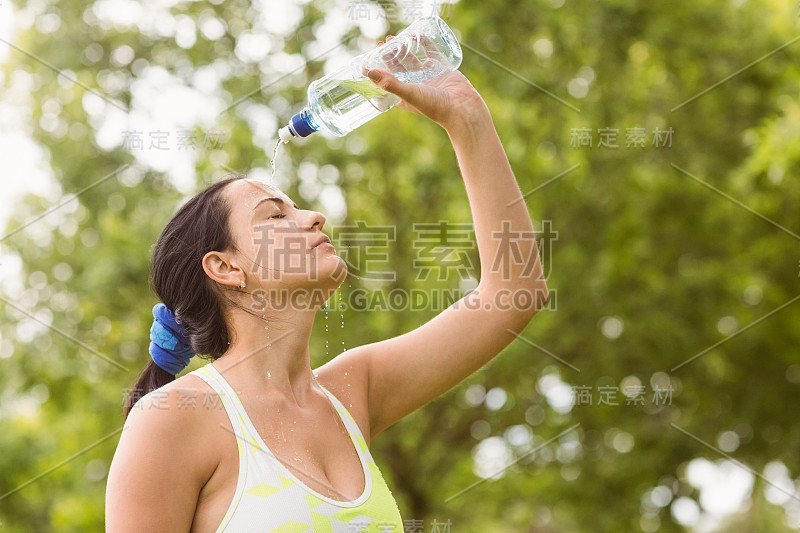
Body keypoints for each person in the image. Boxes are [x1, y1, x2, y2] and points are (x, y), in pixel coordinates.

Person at [105, 35, 549, 532]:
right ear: (226, 268)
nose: (314, 217)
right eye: (276, 215)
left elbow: (515, 295)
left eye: (298, 206)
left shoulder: (351, 392)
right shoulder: (173, 419)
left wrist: (466, 118)